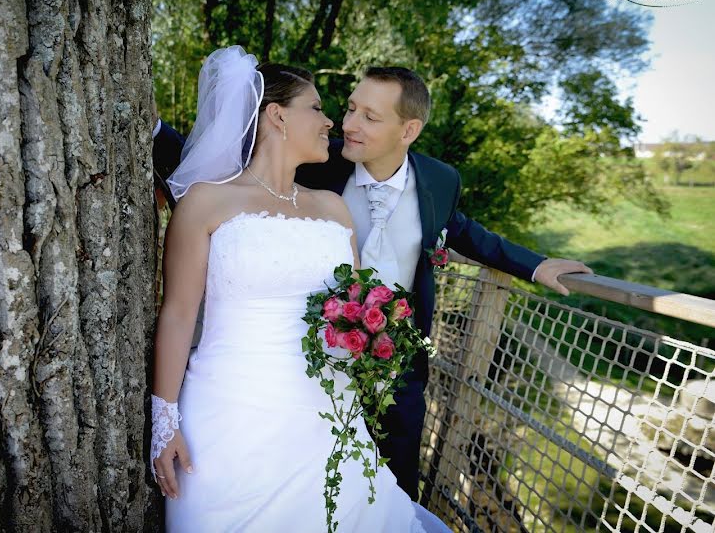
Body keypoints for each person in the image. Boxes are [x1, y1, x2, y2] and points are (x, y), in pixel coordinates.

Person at [153, 65, 592, 501]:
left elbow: (466, 233)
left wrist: (537, 265)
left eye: (369, 117)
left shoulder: (439, 181)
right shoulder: (320, 167)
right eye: (348, 109)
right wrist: (153, 130)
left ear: (409, 130)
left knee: (393, 488)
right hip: (296, 369)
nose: (347, 125)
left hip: (396, 364)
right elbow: (233, 156)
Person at [151, 46, 451, 532]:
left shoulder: (334, 208)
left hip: (327, 417)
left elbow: (352, 304)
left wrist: (375, 343)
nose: (331, 121)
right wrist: (163, 422)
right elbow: (179, 314)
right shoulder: (206, 203)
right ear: (276, 116)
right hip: (230, 416)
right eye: (316, 108)